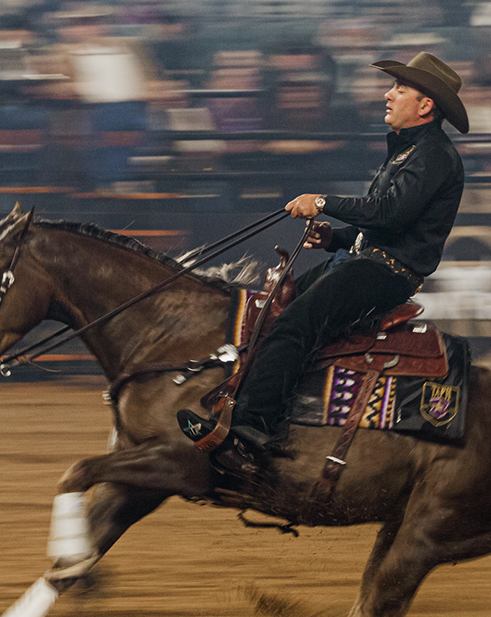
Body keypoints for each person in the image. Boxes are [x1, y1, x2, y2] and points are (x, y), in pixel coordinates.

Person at [180, 52, 467, 465]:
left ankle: (251, 429)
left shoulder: (433, 155)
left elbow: (390, 213)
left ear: (425, 106)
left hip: (386, 272)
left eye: (400, 89)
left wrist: (322, 202)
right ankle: (255, 411)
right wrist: (336, 238)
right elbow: (391, 225)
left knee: (295, 322)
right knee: (275, 312)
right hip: (369, 263)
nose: (388, 95)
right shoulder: (413, 151)